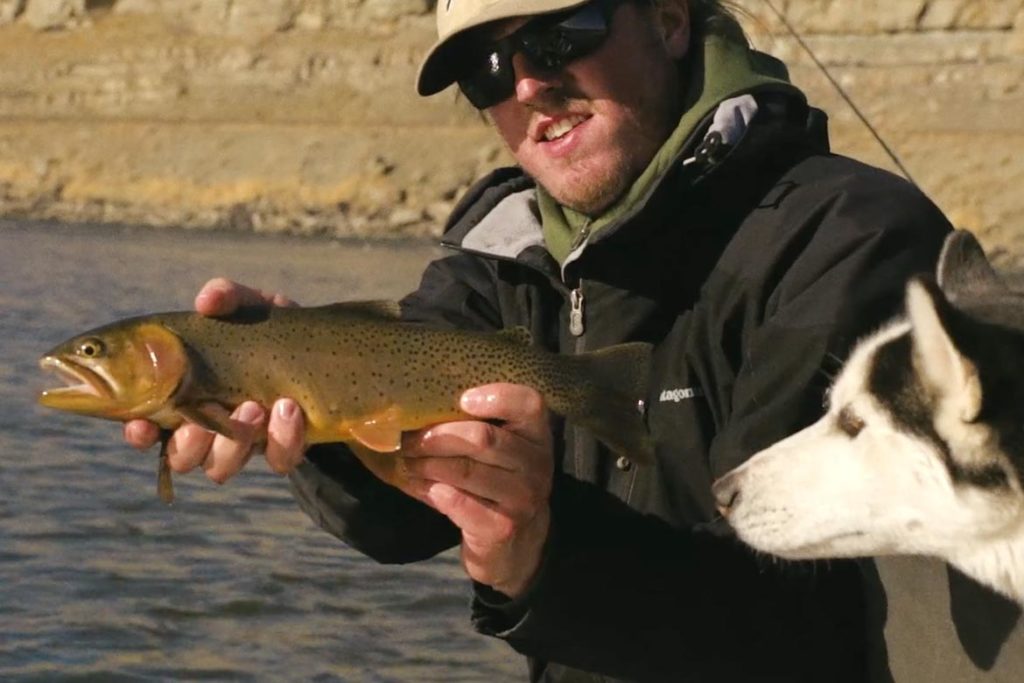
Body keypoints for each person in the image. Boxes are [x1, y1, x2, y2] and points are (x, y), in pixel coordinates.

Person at [125, 0, 955, 680]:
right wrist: (306, 402)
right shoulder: (500, 262)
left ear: (668, 21)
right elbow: (402, 525)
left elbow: (798, 620)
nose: (526, 84)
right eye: (485, 70)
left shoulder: (849, 242)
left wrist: (542, 555)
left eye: (563, 35)